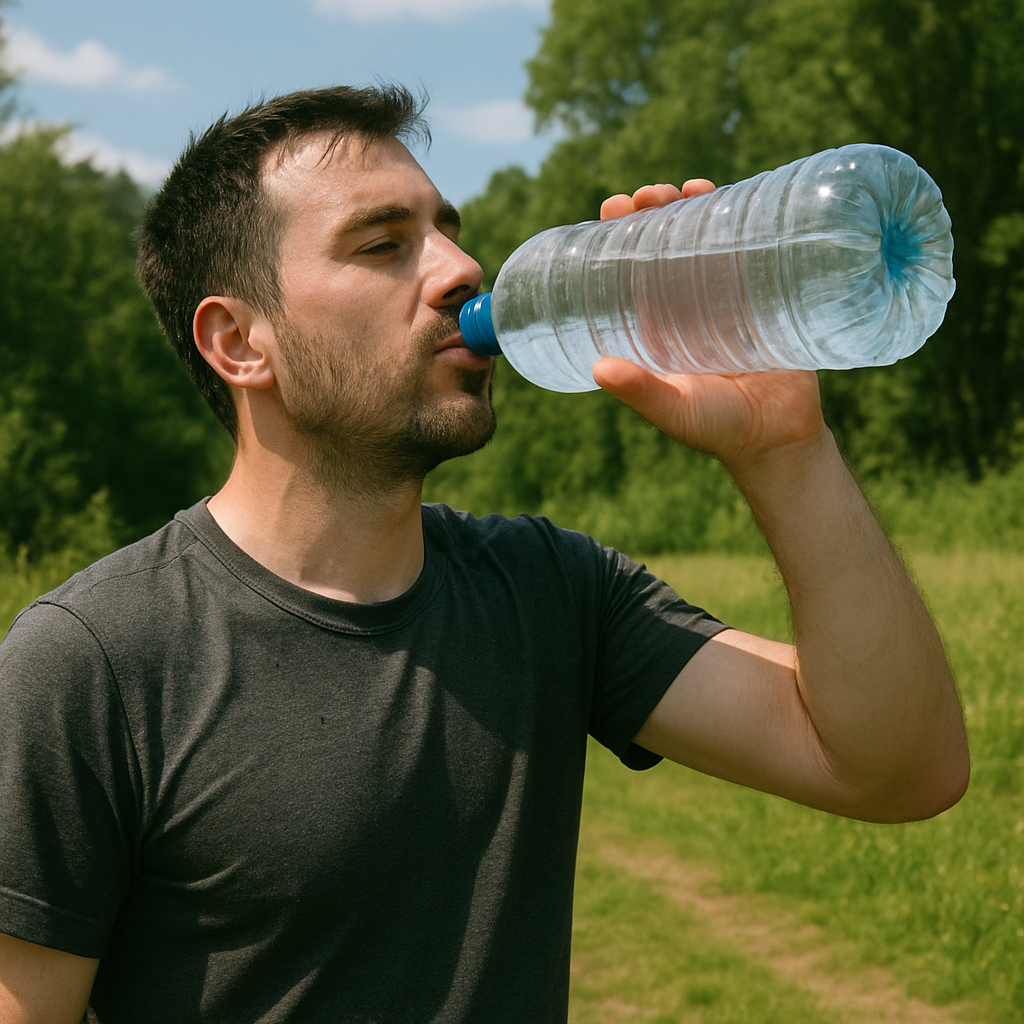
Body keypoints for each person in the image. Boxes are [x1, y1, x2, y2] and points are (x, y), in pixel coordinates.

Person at [0, 84, 969, 1024]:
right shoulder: (92, 662)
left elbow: (895, 768)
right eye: (383, 245)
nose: (461, 267)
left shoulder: (551, 590)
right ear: (240, 340)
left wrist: (785, 451)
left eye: (447, 230)